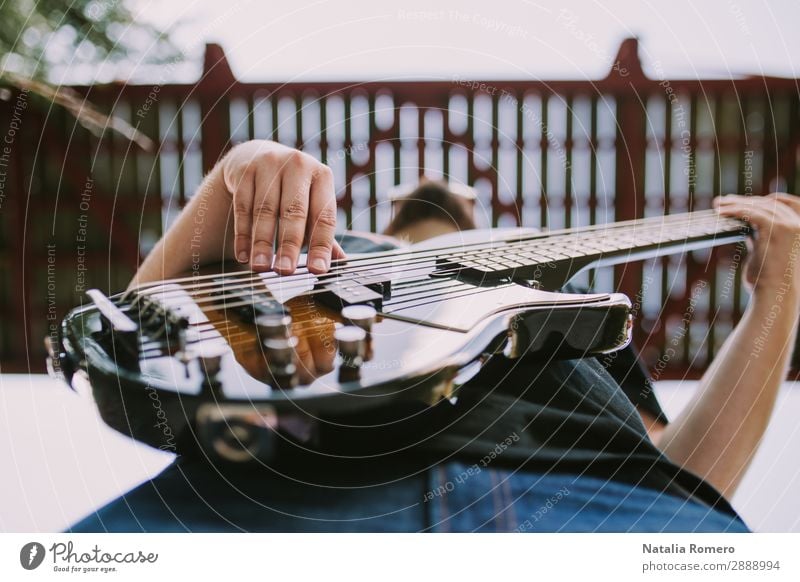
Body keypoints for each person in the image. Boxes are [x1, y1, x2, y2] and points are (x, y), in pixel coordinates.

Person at [75, 139, 800, 532]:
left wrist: (781, 290)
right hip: (262, 506)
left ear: (492, 221)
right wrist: (231, 177)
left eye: (457, 187)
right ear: (377, 224)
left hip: (593, 507)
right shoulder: (296, 269)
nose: (435, 181)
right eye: (415, 185)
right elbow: (135, 344)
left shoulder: (561, 301)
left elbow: (684, 473)